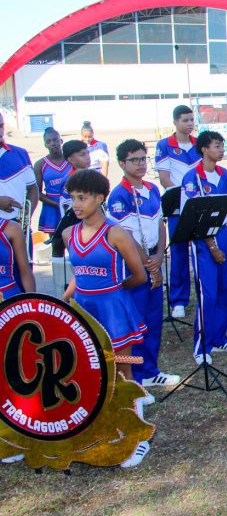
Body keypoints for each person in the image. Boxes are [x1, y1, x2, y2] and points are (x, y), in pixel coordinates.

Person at [61, 169, 150, 467]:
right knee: (93, 371)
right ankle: (101, 427)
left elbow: (139, 275)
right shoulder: (67, 233)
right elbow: (79, 272)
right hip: (84, 309)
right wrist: (68, 296)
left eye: (82, 197)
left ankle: (138, 436)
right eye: (73, 197)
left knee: (124, 369)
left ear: (99, 198)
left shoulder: (116, 232)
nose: (76, 203)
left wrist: (114, 295)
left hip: (113, 309)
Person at [107, 139, 179, 388]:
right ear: (122, 163)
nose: (140, 164)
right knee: (134, 323)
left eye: (142, 159)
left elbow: (160, 224)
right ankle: (134, 379)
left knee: (153, 318)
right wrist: (149, 263)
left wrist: (160, 254)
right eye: (134, 160)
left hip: (153, 258)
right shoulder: (119, 195)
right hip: (134, 263)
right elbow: (125, 236)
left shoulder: (151, 189)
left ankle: (150, 370)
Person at [179, 131, 227, 363]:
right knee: (208, 293)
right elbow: (195, 216)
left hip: (222, 232)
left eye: (222, 146)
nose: (221, 150)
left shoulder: (223, 173)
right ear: (204, 149)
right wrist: (212, 246)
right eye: (217, 146)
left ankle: (219, 338)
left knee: (225, 289)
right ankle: (201, 346)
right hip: (203, 239)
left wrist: (224, 206)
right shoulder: (192, 177)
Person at [154, 105, 200, 320]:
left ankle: (201, 292)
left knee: (202, 251)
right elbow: (164, 178)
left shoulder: (199, 144)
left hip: (198, 206)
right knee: (179, 253)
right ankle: (179, 300)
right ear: (175, 122)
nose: (189, 124)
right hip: (177, 207)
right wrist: (184, 199)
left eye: (191, 119)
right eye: (185, 120)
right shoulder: (165, 145)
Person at [0, 113, 39, 243]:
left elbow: (33, 189)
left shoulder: (20, 154)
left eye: (1, 126)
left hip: (19, 228)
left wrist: (26, 218)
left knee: (23, 263)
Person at [33, 127, 71, 235]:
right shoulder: (40, 164)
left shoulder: (71, 159)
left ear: (61, 141)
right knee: (56, 244)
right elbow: (37, 192)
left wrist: (72, 202)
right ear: (45, 145)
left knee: (75, 242)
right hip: (52, 208)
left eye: (55, 140)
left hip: (72, 205)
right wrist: (58, 204)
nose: (53, 143)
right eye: (48, 141)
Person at [58, 140, 92, 214]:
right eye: (82, 155)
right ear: (71, 159)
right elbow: (67, 208)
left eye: (88, 153)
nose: (88, 157)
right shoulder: (69, 181)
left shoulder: (94, 176)